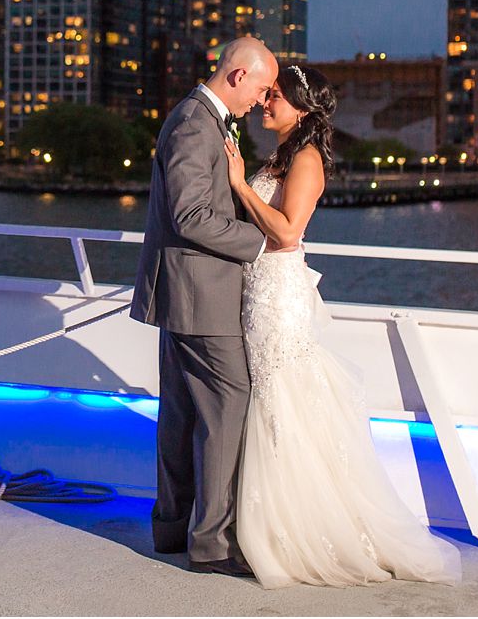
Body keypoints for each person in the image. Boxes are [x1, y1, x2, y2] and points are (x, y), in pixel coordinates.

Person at [223, 63, 462, 588]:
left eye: (276, 97)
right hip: (256, 289)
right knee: (268, 401)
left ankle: (292, 533)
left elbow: (286, 235)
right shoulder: (281, 155)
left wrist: (240, 186)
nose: (266, 103)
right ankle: (268, 523)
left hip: (277, 295)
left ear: (302, 109)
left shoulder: (305, 160)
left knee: (279, 400)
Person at [130, 36, 281, 577]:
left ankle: (172, 529)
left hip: (185, 292)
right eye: (261, 88)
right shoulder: (197, 123)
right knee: (226, 407)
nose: (261, 102)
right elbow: (191, 215)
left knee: (182, 412)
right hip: (200, 295)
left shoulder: (198, 118)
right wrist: (262, 244)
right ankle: (212, 543)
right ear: (237, 76)